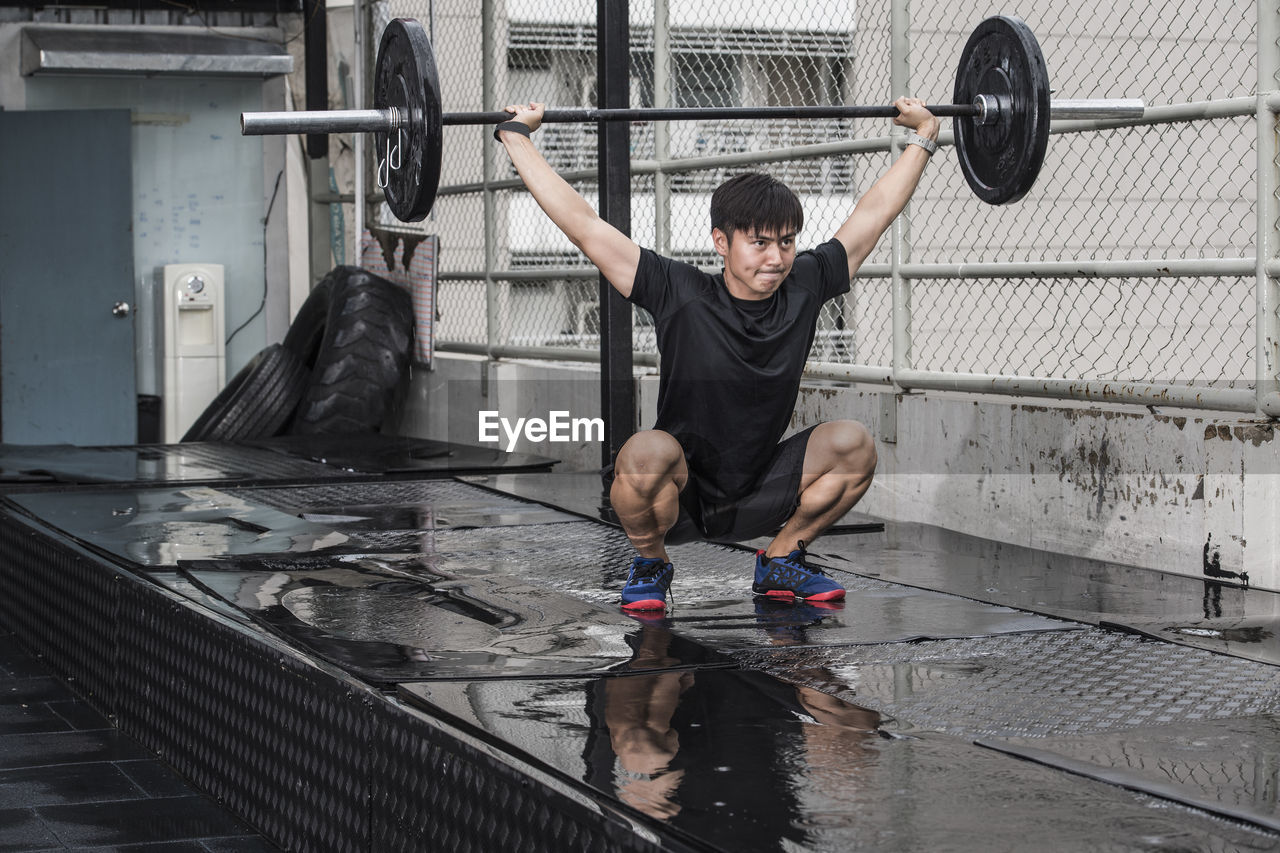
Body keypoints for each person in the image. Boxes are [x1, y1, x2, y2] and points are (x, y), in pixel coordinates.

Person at [495, 98, 940, 612]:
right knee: (642, 454)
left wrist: (923, 138)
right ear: (721, 243)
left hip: (760, 489)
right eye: (759, 244)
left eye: (787, 243)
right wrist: (516, 136)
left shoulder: (806, 283)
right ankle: (651, 563)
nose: (776, 259)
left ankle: (781, 558)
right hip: (677, 499)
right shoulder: (678, 291)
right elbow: (584, 225)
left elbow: (874, 214)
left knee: (853, 445)